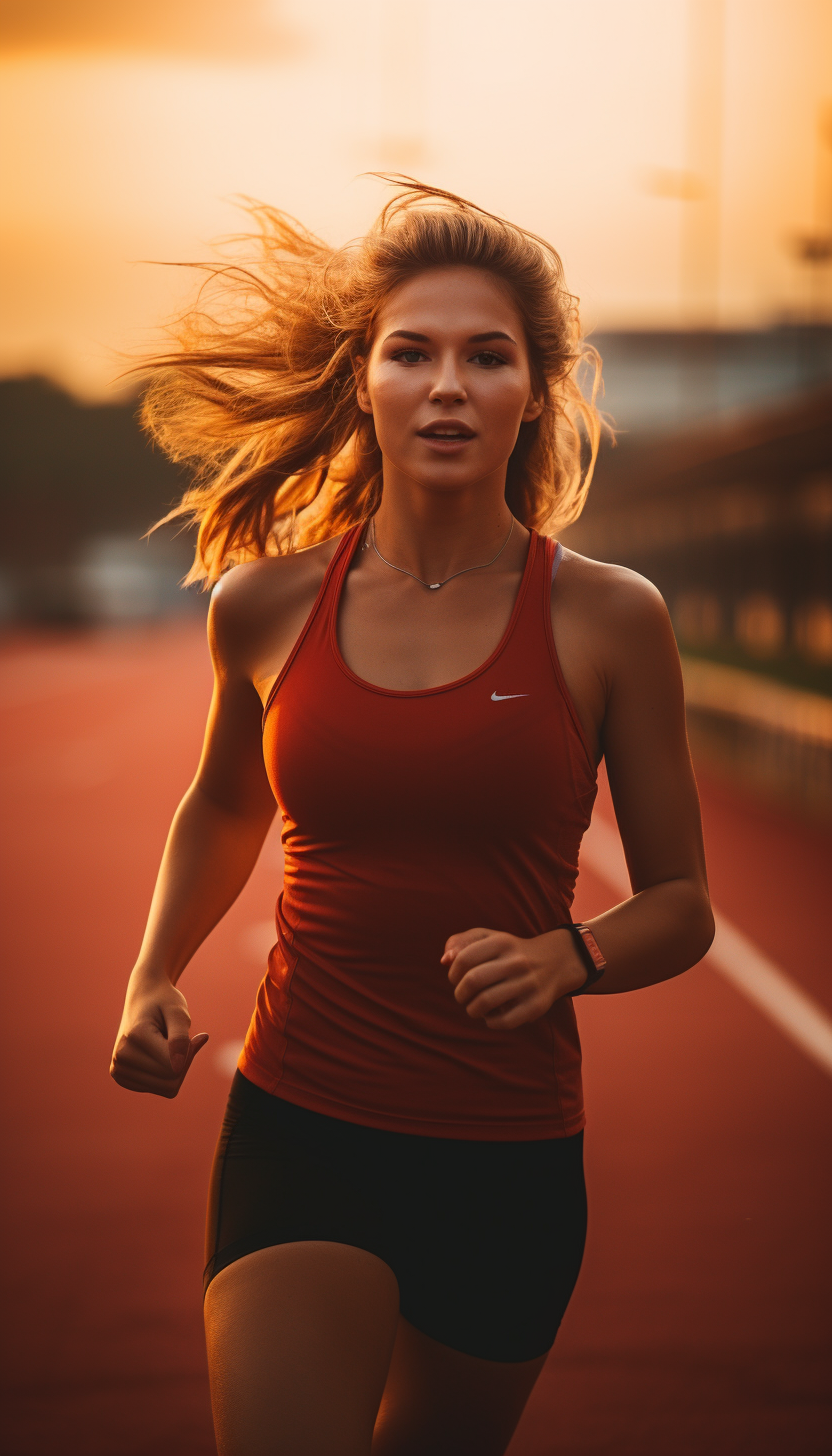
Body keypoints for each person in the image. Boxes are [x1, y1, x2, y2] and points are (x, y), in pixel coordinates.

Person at [110, 179, 715, 1456]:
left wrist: (572, 955)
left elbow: (681, 906)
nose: (448, 383)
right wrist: (150, 971)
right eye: (413, 352)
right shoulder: (263, 607)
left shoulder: (609, 617)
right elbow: (225, 801)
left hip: (507, 1156)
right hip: (300, 1123)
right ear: (365, 383)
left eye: (486, 355)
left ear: (533, 392)